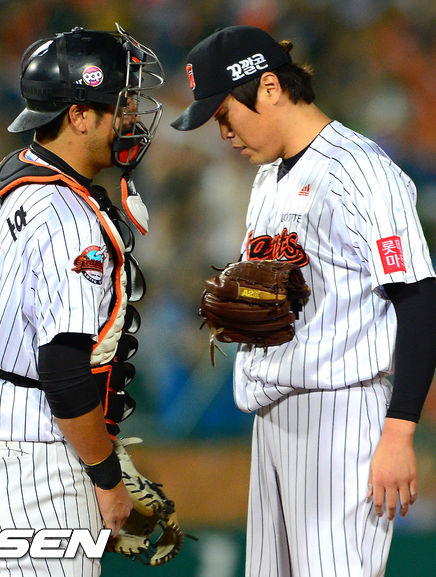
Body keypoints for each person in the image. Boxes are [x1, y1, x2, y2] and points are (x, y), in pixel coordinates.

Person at [171, 25, 436, 577]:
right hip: (274, 417)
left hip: (341, 416)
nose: (223, 133)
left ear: (269, 88)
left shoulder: (361, 169)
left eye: (225, 115)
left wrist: (399, 431)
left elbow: (419, 298)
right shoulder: (269, 175)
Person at [0, 24, 163, 577]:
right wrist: (107, 478)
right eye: (119, 104)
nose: (131, 118)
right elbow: (63, 370)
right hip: (32, 463)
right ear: (79, 115)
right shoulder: (69, 219)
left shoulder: (10, 173)